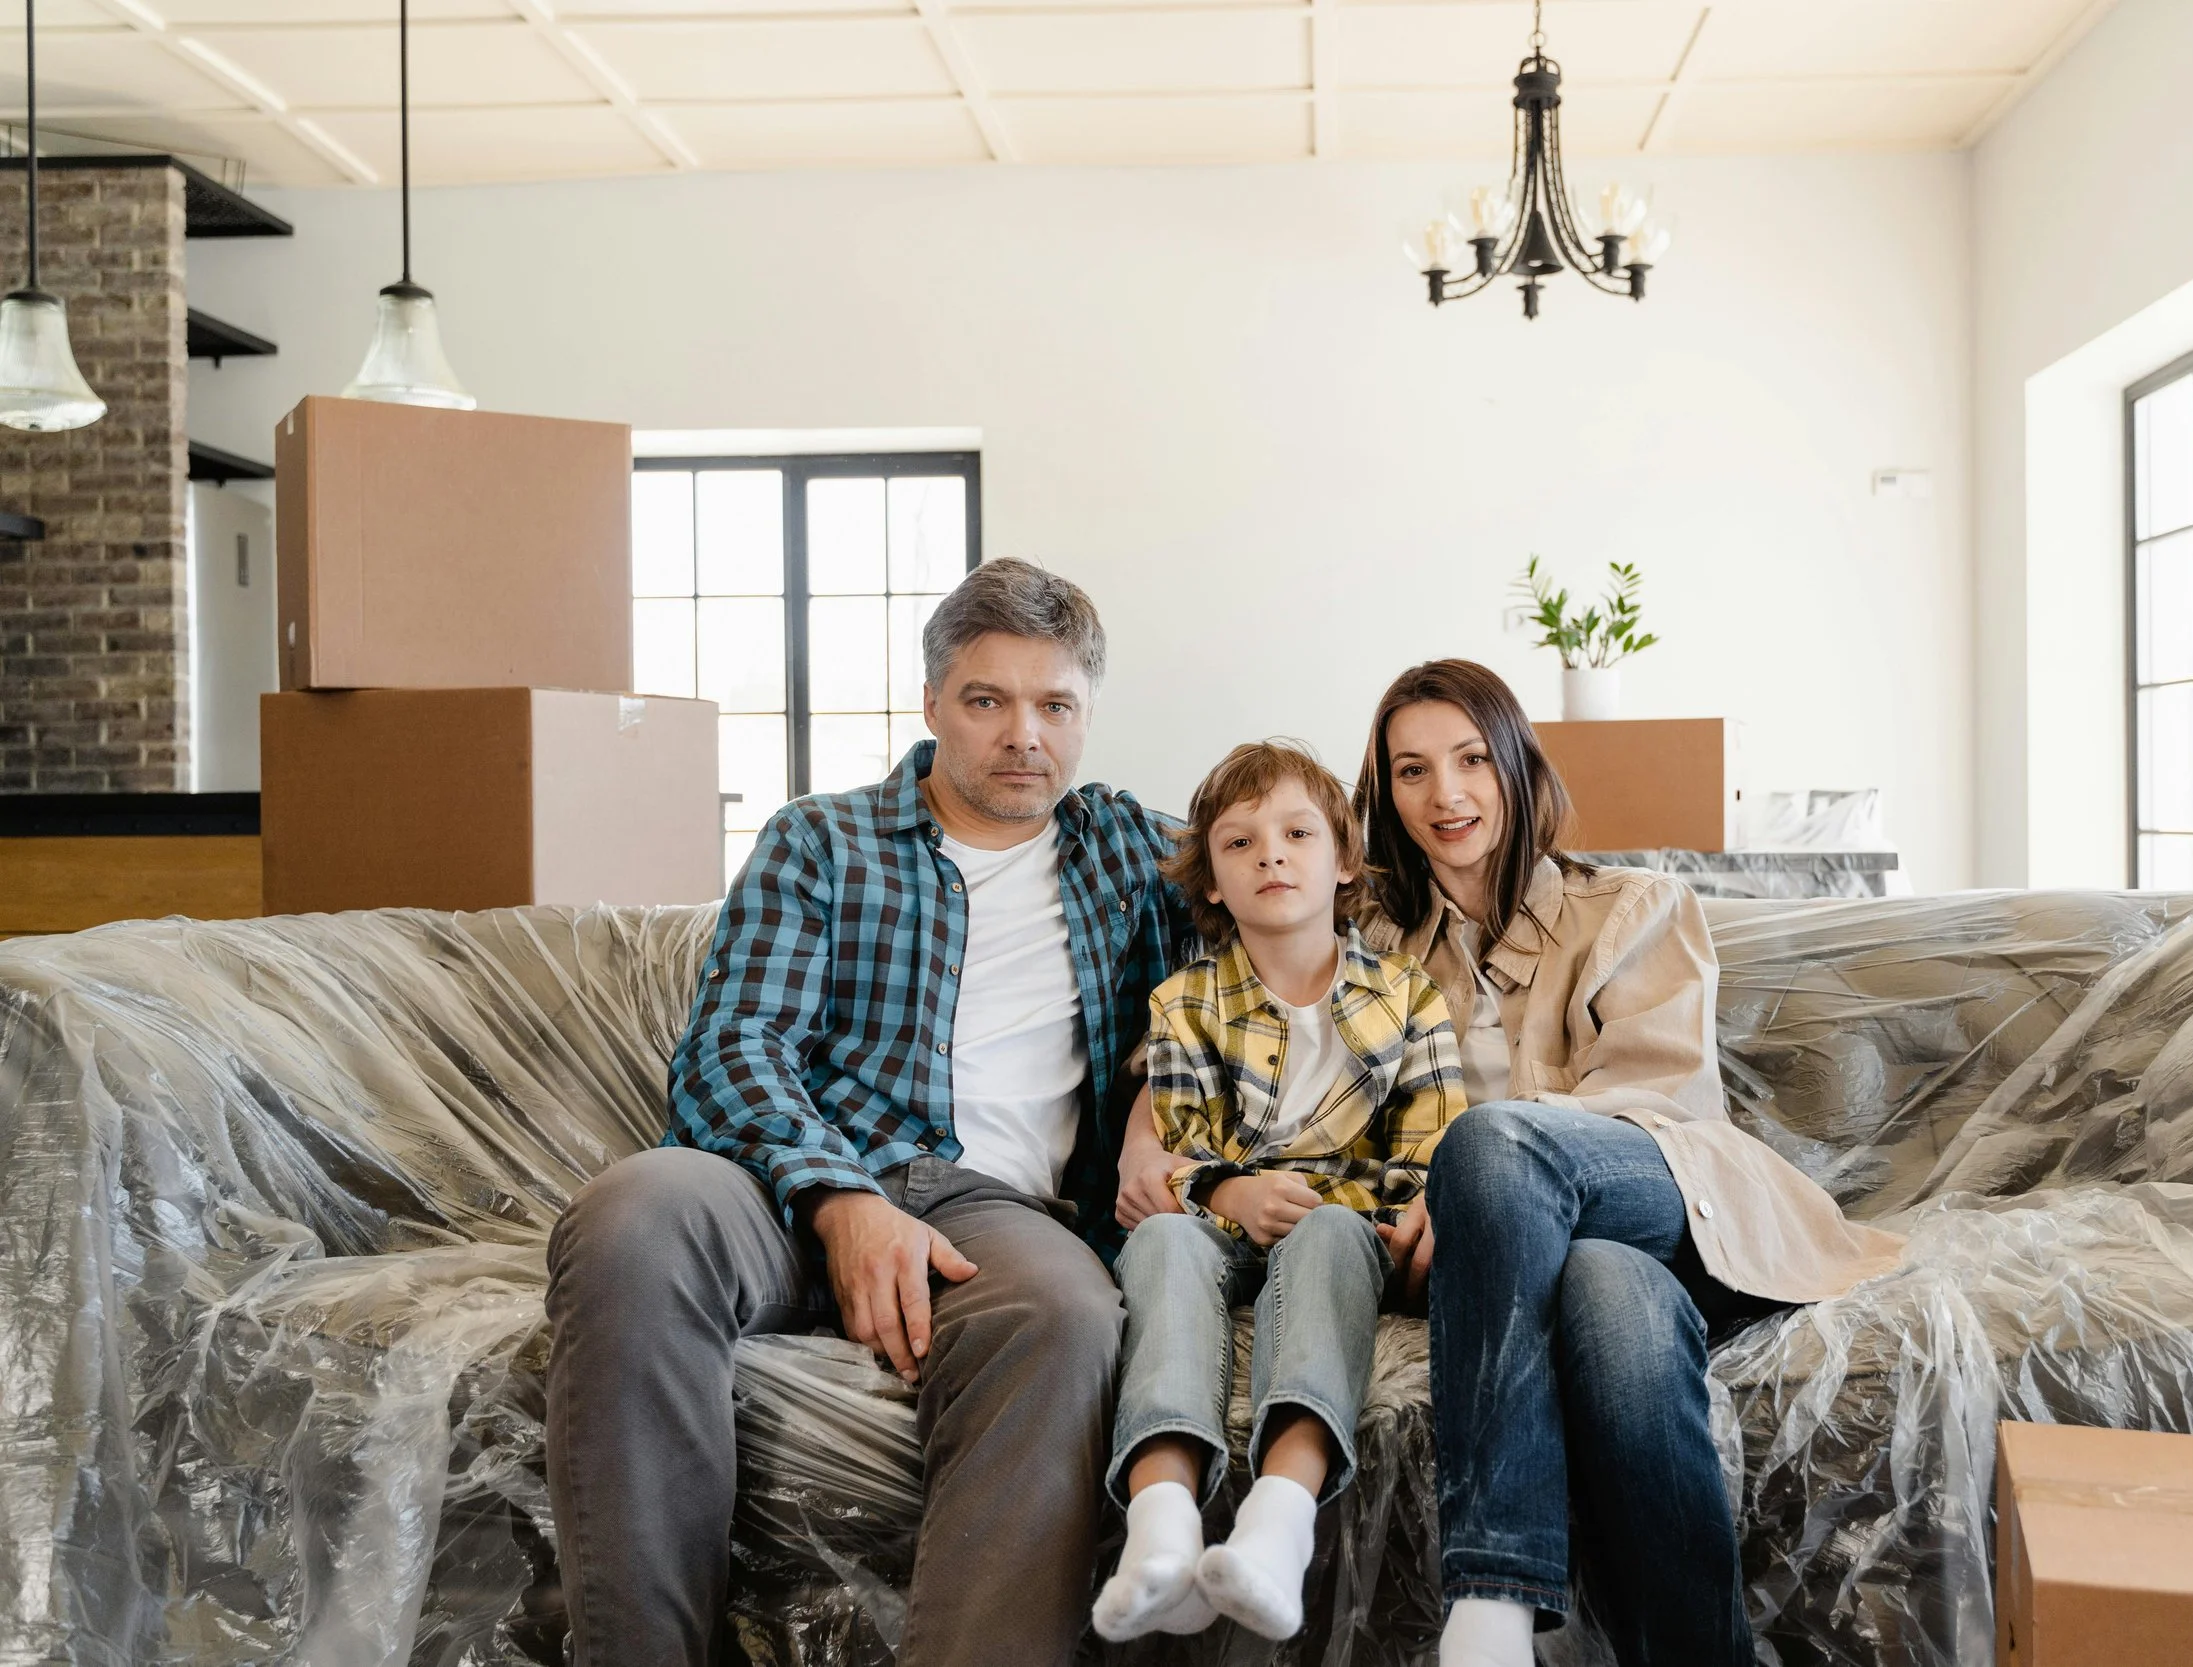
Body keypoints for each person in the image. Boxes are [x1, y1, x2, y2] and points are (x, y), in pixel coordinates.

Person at [543, 559, 1194, 1667]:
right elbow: (732, 1046)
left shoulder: (1131, 852)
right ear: (933, 702)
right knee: (634, 1212)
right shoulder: (822, 841)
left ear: (1088, 716)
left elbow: (1305, 889)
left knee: (1067, 1314)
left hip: (995, 1216)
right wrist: (840, 1195)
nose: (1022, 735)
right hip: (782, 1177)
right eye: (987, 700)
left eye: (1055, 705)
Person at [1360, 659, 1905, 1667]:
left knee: (1491, 1143)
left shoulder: (1632, 905)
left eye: (1472, 758)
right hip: (1555, 1252)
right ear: (1384, 792)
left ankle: (1490, 1591)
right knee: (1606, 1296)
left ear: (1518, 764)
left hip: (1663, 1188)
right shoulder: (1374, 942)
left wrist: (1477, 1166)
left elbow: (1654, 1091)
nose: (1445, 794)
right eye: (1411, 769)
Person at [1093, 740, 1463, 1646]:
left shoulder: (1410, 997)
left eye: (1298, 832)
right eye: (1240, 842)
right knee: (1163, 1244)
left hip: (1343, 1230)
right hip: (1216, 1225)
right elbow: (1173, 1160)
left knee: (1332, 1234)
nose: (1272, 854)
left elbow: (1430, 1158)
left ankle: (1279, 1517)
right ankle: (1162, 1526)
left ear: (1343, 862)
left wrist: (1323, 1206)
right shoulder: (1183, 1001)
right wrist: (1231, 1197)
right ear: (1212, 880)